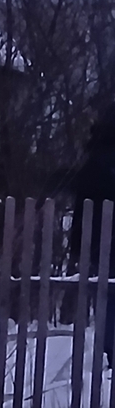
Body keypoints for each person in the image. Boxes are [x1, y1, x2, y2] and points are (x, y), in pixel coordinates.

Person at [72, 105, 115, 369]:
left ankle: (110, 347)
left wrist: (78, 244)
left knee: (107, 293)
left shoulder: (93, 160)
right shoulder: (99, 161)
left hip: (98, 237)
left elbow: (81, 203)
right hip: (104, 235)